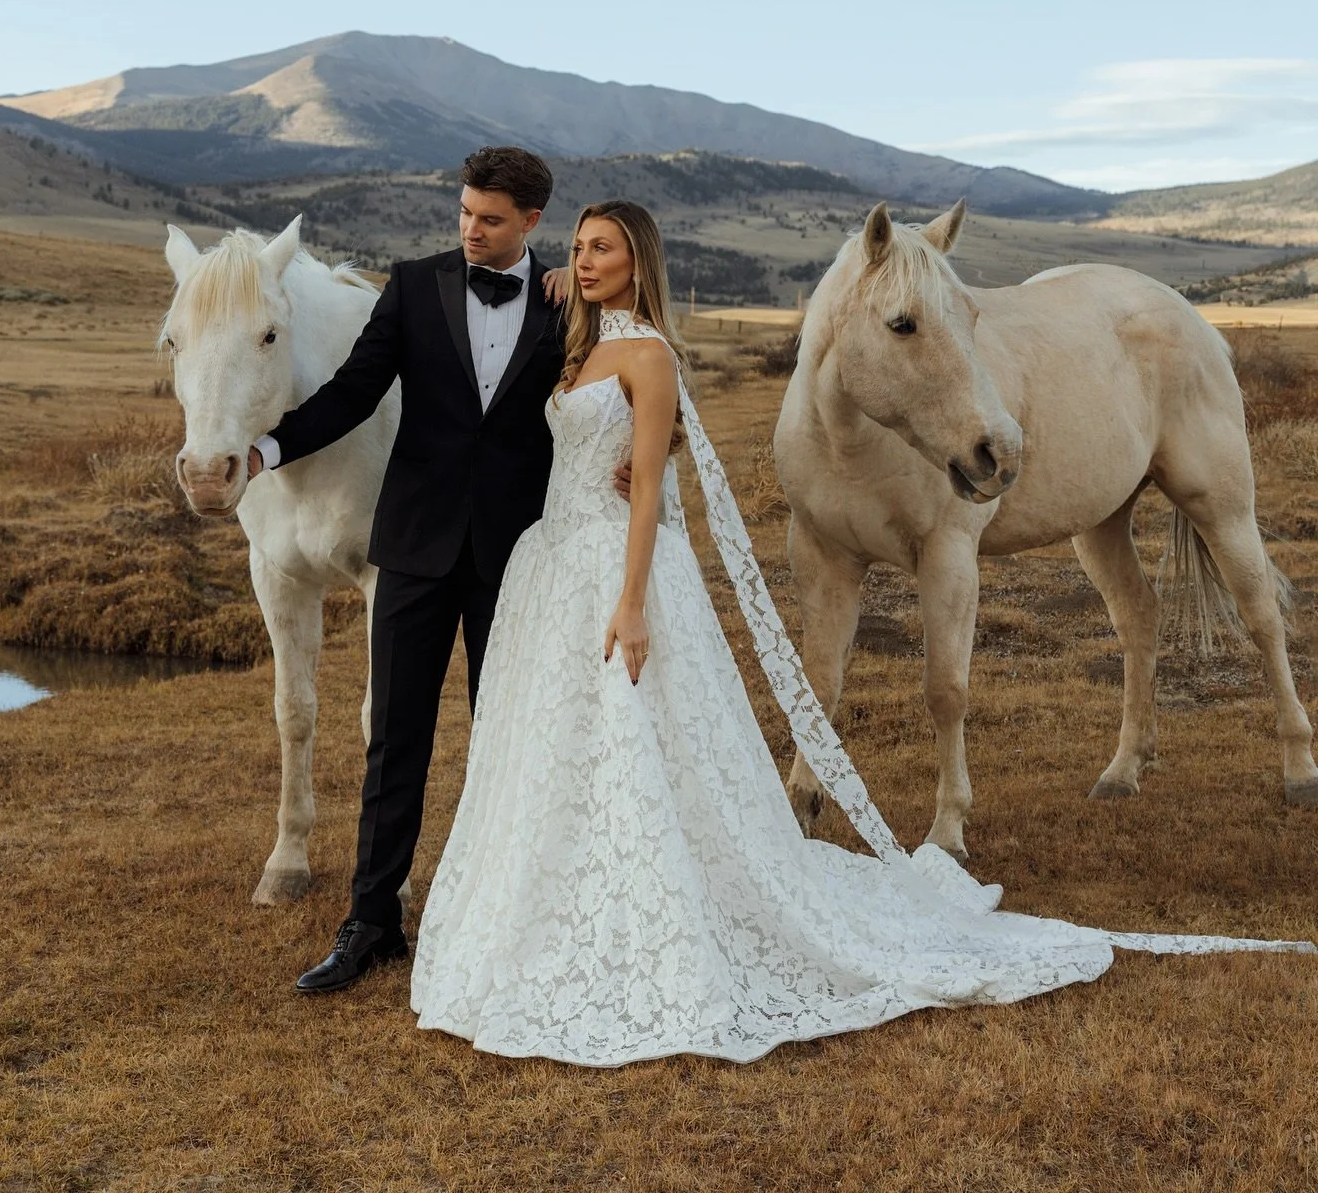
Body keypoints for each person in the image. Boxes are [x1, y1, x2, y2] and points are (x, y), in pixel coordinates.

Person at [408, 200, 1312, 1066]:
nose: (585, 259)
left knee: (1235, 578)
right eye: (579, 247)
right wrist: (558, 280)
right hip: (566, 556)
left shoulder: (644, 352)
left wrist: (634, 571)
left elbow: (646, 461)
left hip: (611, 561)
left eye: (603, 247)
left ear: (636, 259)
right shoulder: (581, 332)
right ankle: (657, 855)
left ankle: (1290, 725)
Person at [247, 145, 572, 993]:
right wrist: (267, 449)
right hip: (414, 549)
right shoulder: (415, 286)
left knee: (508, 736)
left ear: (531, 221)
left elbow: (603, 398)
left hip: (517, 556)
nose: (471, 230)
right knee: (395, 740)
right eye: (464, 212)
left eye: (490, 219)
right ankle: (371, 922)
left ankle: (507, 917)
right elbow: (353, 391)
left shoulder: (566, 300)